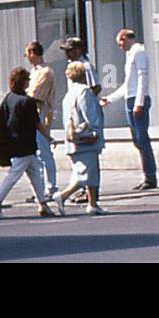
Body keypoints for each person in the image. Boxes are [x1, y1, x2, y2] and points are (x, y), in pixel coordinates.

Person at [0, 68, 56, 219]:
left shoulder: (8, 98)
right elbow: (37, 123)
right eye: (27, 80)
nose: (29, 83)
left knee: (35, 174)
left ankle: (43, 204)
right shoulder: (27, 102)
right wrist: (49, 137)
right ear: (23, 82)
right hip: (25, 145)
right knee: (14, 175)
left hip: (14, 143)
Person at [100, 28, 157, 191]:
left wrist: (139, 102)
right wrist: (110, 98)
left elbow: (142, 77)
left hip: (136, 100)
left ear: (125, 38)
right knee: (137, 141)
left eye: (120, 43)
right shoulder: (131, 54)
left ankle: (150, 176)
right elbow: (128, 84)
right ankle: (147, 175)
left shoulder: (138, 52)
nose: (120, 47)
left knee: (142, 139)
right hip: (130, 99)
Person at [52, 61, 106, 216]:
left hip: (73, 140)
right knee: (85, 174)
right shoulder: (85, 92)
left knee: (89, 171)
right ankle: (62, 196)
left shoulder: (68, 94)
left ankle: (93, 203)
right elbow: (89, 114)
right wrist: (95, 131)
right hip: (85, 139)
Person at [58, 37, 100, 203]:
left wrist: (89, 103)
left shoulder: (85, 66)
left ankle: (89, 196)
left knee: (88, 160)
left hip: (82, 111)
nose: (67, 53)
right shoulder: (72, 67)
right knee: (84, 161)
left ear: (79, 49)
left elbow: (96, 86)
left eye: (70, 50)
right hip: (76, 112)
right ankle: (88, 196)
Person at [25, 42, 58, 200]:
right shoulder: (34, 71)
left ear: (33, 53)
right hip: (32, 117)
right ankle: (40, 188)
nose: (27, 57)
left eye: (27, 54)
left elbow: (35, 94)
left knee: (44, 153)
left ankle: (50, 187)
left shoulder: (46, 72)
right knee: (36, 155)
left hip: (41, 116)